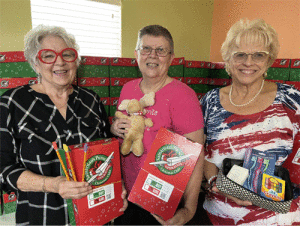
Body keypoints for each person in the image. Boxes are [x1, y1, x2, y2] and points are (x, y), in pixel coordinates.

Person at [0, 25, 127, 225]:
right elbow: (4, 170)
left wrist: (117, 187)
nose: (60, 62)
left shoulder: (91, 101)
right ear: (35, 62)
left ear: (75, 61)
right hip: (42, 217)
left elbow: (106, 157)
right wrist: (53, 184)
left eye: (67, 54)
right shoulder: (12, 103)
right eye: (48, 56)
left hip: (95, 215)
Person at [201, 18, 300, 225]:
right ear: (228, 58)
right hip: (220, 216)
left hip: (279, 218)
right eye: (240, 55)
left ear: (269, 60)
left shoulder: (291, 101)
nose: (248, 62)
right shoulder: (209, 102)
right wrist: (214, 184)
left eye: (258, 55)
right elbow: (200, 154)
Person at [111, 25, 205, 225]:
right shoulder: (128, 88)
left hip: (161, 199)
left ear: (171, 57)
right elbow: (123, 128)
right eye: (146, 49)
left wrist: (189, 209)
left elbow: (195, 155)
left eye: (161, 50)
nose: (152, 56)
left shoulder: (183, 96)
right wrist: (114, 127)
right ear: (136, 54)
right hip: (126, 195)